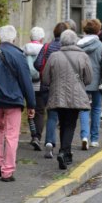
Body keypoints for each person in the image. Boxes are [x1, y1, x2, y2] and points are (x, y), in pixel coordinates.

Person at [0, 25, 35, 182]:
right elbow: (26, 80)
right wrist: (31, 104)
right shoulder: (18, 55)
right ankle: (7, 171)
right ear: (14, 38)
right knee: (12, 135)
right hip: (13, 100)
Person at [42, 29, 92, 169]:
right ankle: (64, 152)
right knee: (70, 124)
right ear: (75, 40)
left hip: (57, 95)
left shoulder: (54, 56)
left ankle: (66, 152)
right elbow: (88, 79)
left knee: (63, 122)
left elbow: (45, 79)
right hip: (76, 96)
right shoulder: (83, 56)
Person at [77, 19, 102, 149]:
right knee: (97, 109)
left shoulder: (77, 45)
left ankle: (84, 136)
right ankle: (94, 139)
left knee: (83, 109)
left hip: (81, 82)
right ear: (98, 31)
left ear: (84, 30)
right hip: (98, 83)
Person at [34, 22, 69, 158]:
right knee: (65, 117)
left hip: (47, 86)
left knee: (52, 116)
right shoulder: (68, 48)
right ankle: (65, 147)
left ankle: (49, 142)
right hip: (64, 87)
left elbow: (37, 64)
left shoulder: (47, 46)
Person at [22, 27, 45, 151]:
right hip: (40, 84)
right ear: (41, 38)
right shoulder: (44, 49)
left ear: (30, 38)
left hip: (27, 85)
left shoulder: (23, 49)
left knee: (30, 109)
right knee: (40, 111)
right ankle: (37, 137)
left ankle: (33, 134)